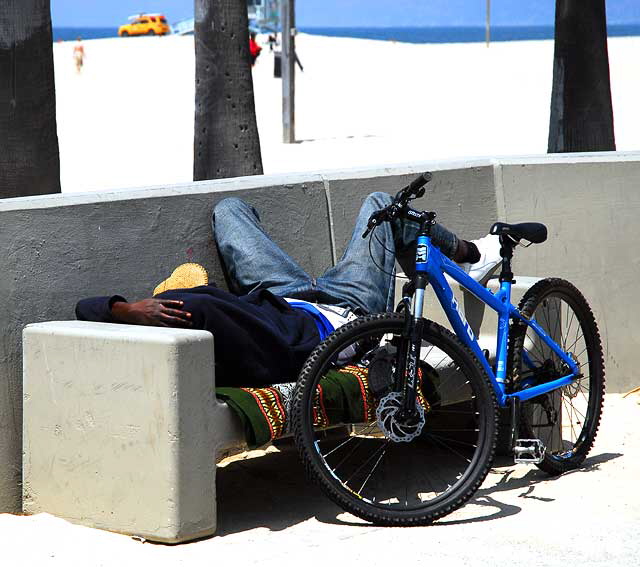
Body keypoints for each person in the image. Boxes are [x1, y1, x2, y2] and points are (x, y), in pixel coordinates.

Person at [75, 193, 500, 387]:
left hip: (282, 295)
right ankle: (470, 254)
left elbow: (81, 309)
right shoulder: (195, 328)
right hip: (343, 317)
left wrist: (124, 310)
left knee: (230, 211)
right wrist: (142, 310)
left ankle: (441, 253)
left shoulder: (159, 314)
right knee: (381, 206)